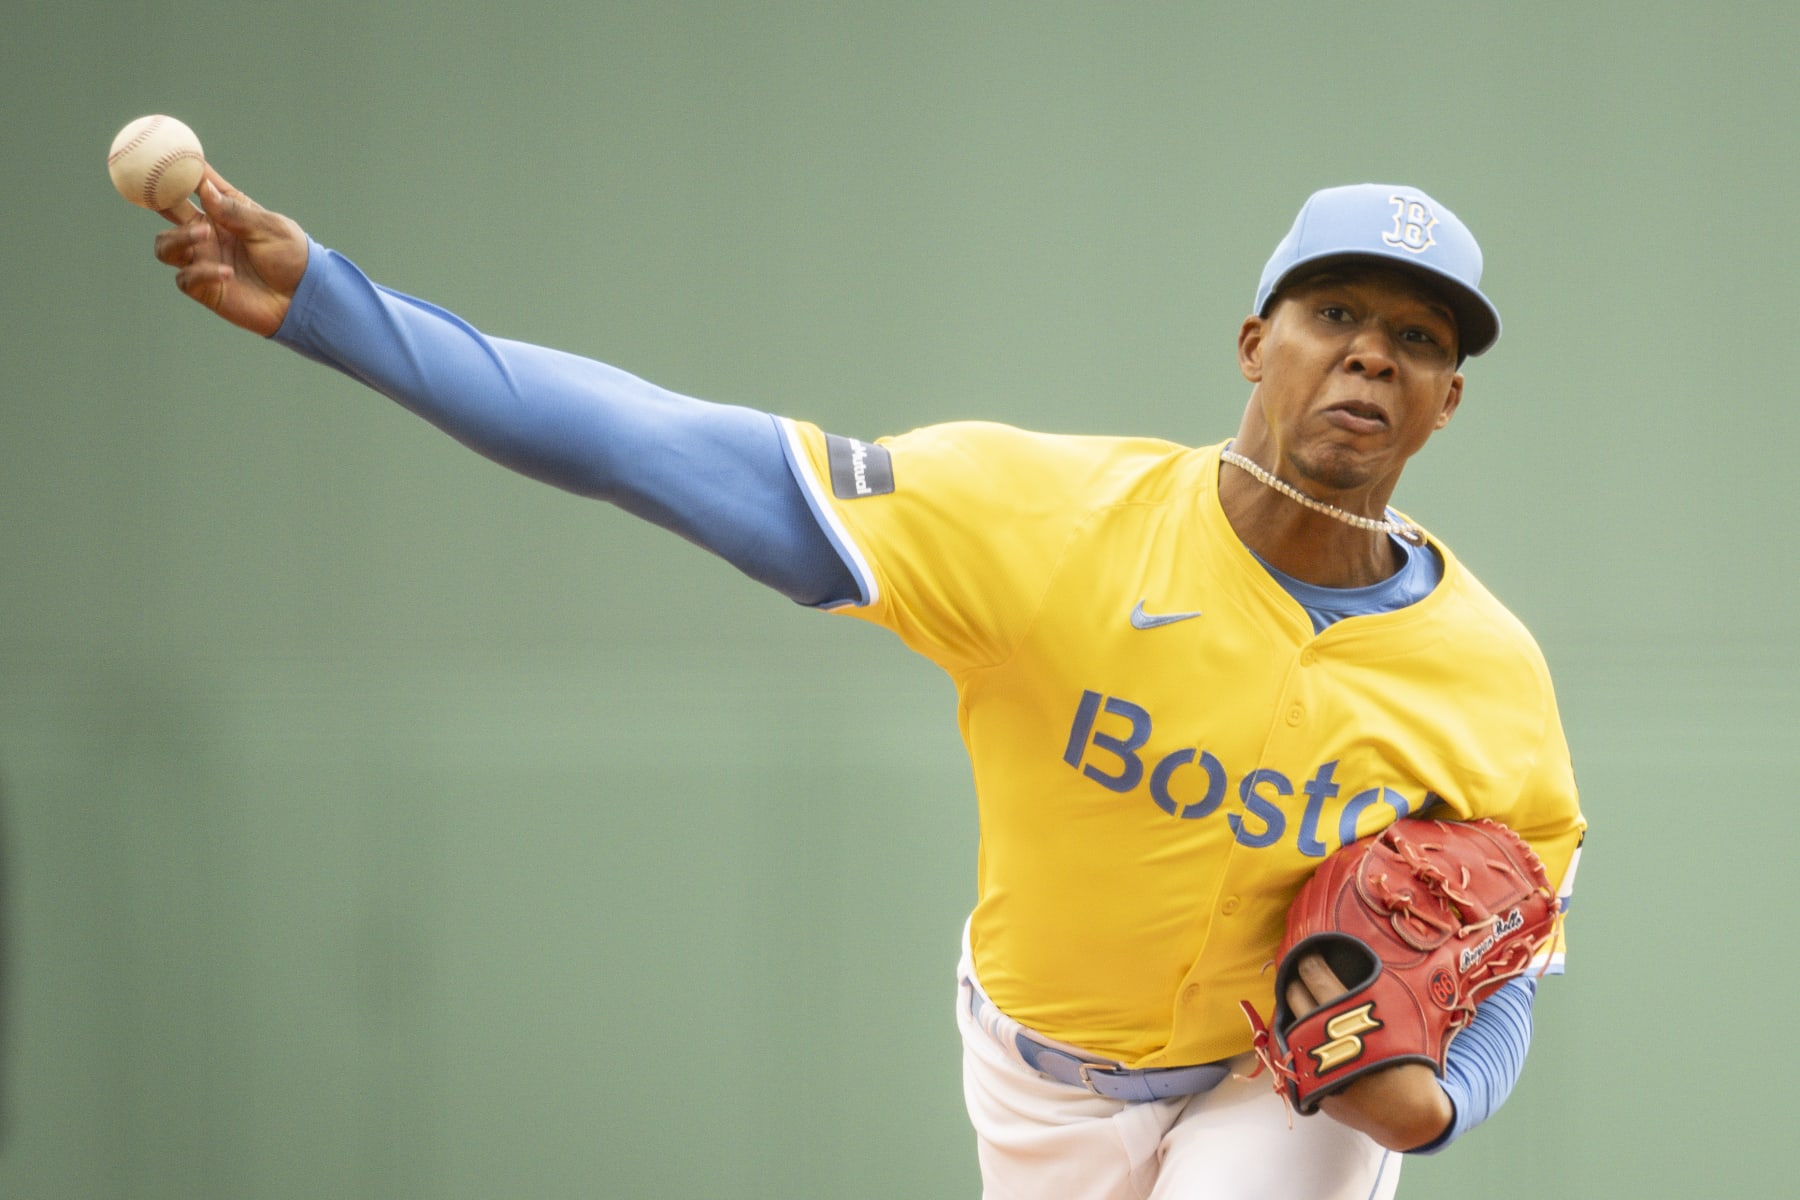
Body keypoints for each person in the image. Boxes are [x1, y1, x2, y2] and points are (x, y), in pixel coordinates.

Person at [148, 173, 1586, 1198]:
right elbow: (650, 443)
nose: (1371, 353)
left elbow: (1517, 956)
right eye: (1335, 310)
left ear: (1446, 399)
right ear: (1256, 342)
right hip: (1043, 1075)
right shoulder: (1049, 524)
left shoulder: (1486, 673)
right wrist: (336, 310)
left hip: (1286, 1076)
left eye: (1420, 340)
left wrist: (1445, 1100)